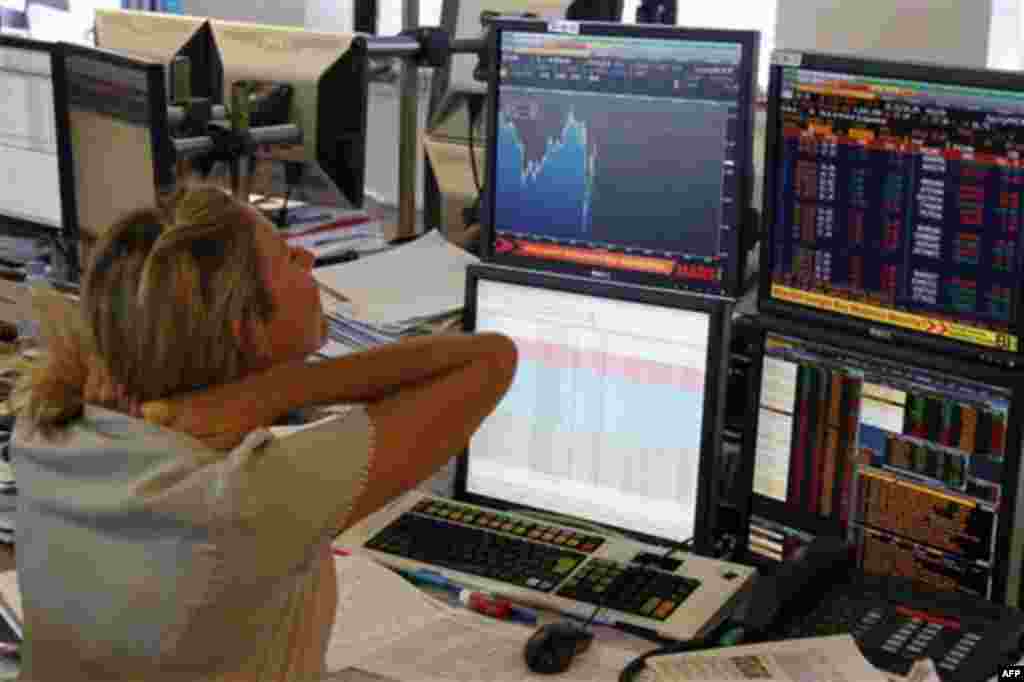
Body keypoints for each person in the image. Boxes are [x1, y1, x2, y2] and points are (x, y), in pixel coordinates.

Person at [10, 184, 517, 681]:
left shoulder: (43, 430)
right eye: (284, 255)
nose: (306, 259)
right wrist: (278, 391)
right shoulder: (242, 497)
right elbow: (490, 359)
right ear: (246, 325)